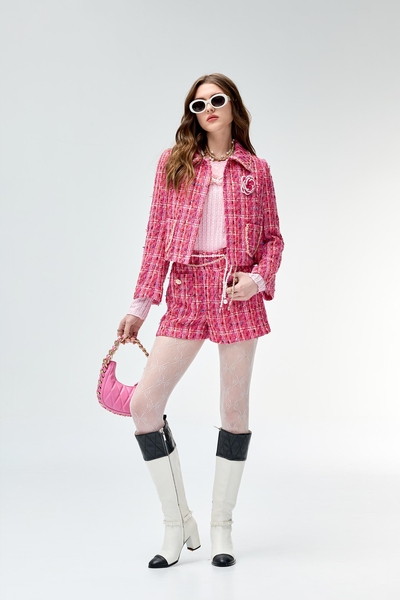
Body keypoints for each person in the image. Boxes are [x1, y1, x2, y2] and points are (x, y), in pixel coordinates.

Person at [117, 73, 284, 569]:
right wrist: (140, 306)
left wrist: (258, 278)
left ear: (233, 107)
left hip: (237, 292)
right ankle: (177, 524)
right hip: (187, 288)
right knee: (144, 405)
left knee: (234, 412)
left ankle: (221, 527)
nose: (208, 108)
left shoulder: (255, 169)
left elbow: (273, 239)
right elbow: (155, 237)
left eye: (217, 99)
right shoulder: (173, 163)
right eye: (198, 104)